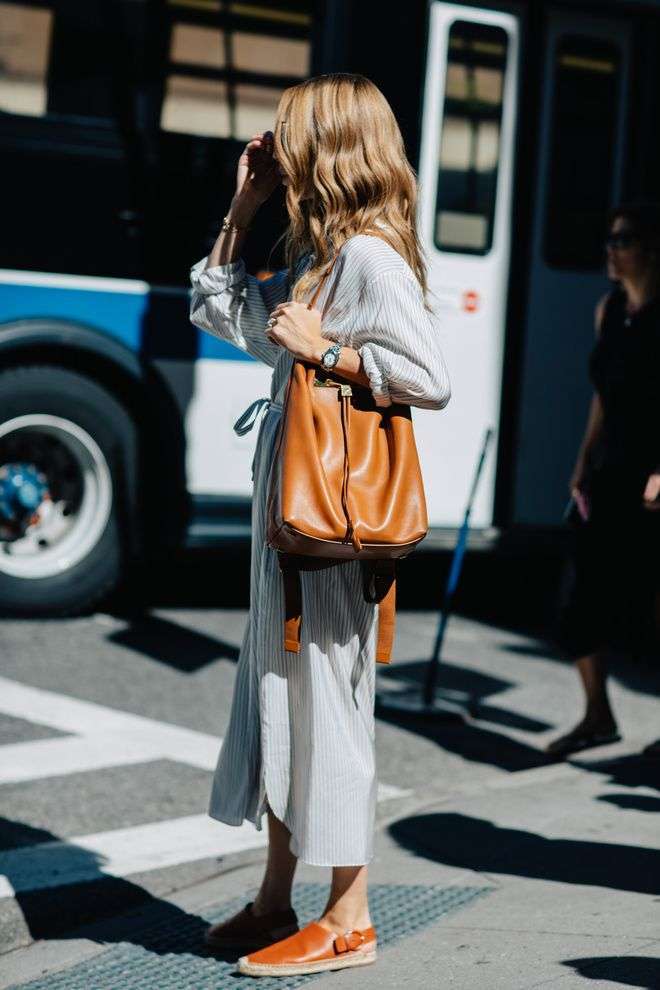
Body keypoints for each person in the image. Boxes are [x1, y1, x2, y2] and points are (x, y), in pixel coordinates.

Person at [188, 72, 451, 977]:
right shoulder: (322, 256)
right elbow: (222, 310)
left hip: (332, 530)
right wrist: (243, 203)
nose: (275, 146)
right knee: (280, 700)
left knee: (328, 709)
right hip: (291, 524)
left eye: (288, 136)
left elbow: (430, 377)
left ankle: (350, 919)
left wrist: (328, 351)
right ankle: (273, 900)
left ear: (330, 146)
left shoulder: (371, 258)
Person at [548, 203, 660, 758]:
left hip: (653, 474)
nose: (610, 251)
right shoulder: (608, 310)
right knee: (578, 595)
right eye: (609, 240)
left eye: (623, 240)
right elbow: (603, 395)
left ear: (650, 248)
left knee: (652, 603)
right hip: (609, 468)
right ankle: (597, 714)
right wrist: (580, 461)